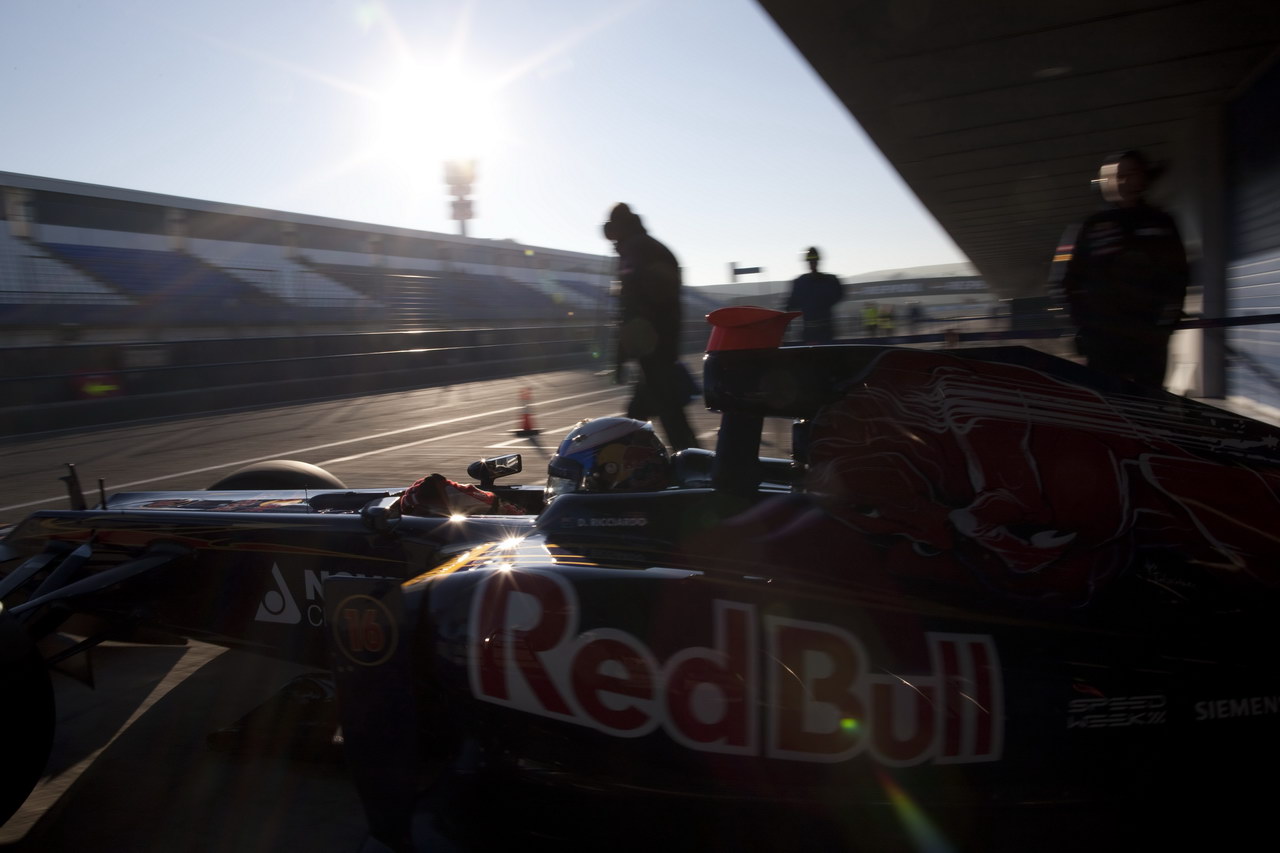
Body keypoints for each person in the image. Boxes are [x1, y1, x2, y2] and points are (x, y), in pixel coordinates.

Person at [1054, 150, 1189, 388]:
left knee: (1149, 407)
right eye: (1116, 176)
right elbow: (1064, 281)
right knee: (1109, 408)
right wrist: (1080, 328)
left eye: (1131, 174)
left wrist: (1167, 322)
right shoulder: (1088, 227)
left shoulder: (1162, 222)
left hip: (1149, 339)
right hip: (1103, 339)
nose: (1123, 181)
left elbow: (1179, 276)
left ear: (1143, 178)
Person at [604, 203, 698, 451]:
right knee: (640, 414)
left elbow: (632, 308)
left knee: (669, 416)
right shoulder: (651, 247)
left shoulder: (635, 251)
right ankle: (638, 460)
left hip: (652, 348)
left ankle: (696, 470)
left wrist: (620, 357)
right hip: (663, 343)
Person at [783, 246, 843, 343]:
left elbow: (790, 305)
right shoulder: (830, 280)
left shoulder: (801, 282)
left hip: (817, 331)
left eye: (813, 261)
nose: (813, 264)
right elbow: (790, 305)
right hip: (820, 331)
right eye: (812, 261)